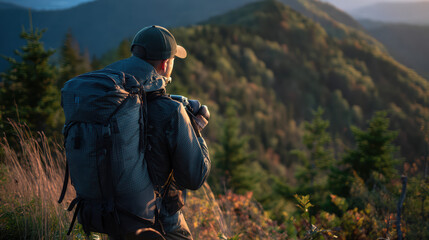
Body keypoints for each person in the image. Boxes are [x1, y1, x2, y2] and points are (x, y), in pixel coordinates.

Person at [106, 25, 211, 240]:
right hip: (160, 222)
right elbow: (195, 177)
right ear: (165, 64)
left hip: (113, 217)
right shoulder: (170, 111)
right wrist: (196, 130)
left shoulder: (112, 101)